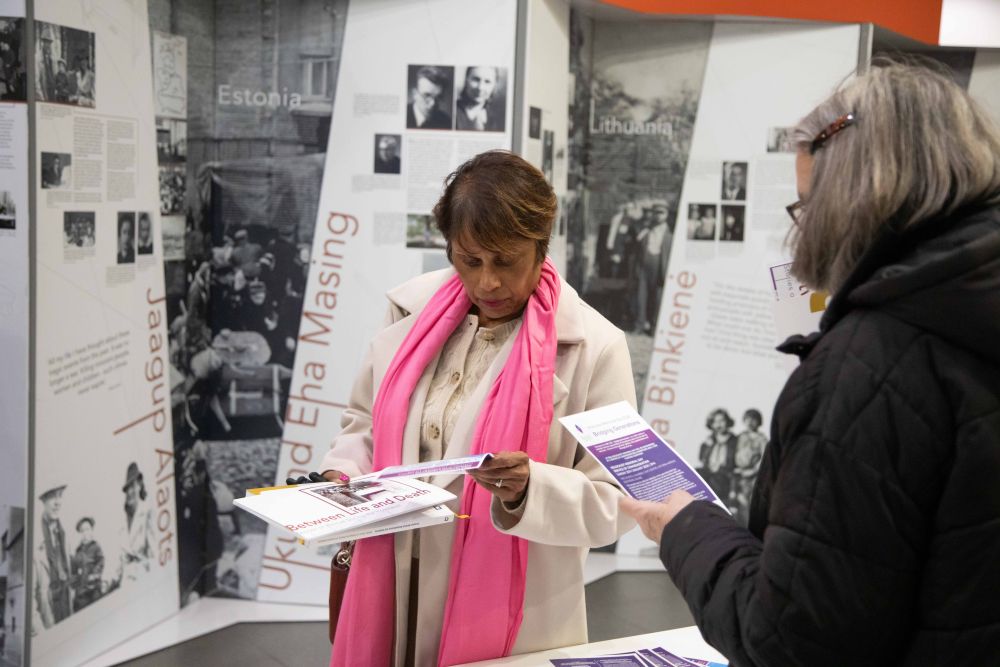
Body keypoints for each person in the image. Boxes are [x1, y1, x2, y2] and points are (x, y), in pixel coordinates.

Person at [620, 62, 1000, 665]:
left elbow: (793, 640)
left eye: (806, 206)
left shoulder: (869, 367)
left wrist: (686, 528)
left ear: (855, 198)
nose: (801, 232)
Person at [291, 151, 636, 667]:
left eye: (506, 260)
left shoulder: (595, 346)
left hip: (508, 616)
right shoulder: (409, 312)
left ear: (541, 248)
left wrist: (530, 490)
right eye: (469, 259)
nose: (487, 283)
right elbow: (365, 423)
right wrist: (342, 476)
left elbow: (618, 501)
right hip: (395, 591)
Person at [634, 200, 673, 334]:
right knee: (641, 296)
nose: (658, 216)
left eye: (661, 213)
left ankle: (654, 327)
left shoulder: (671, 233)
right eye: (656, 213)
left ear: (667, 214)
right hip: (644, 265)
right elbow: (637, 244)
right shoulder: (646, 229)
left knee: (657, 299)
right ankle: (639, 325)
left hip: (660, 267)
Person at [34, 485, 71, 627]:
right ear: (43, 500)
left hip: (66, 612)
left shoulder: (64, 534)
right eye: (52, 496)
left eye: (60, 495)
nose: (57, 502)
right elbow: (31, 599)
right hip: (50, 621)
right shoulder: (36, 539)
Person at [115, 463, 154, 585]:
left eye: (132, 486)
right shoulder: (123, 518)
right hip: (125, 580)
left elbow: (153, 555)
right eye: (127, 489)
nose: (129, 492)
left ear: (139, 485)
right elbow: (121, 556)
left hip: (143, 579)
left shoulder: (148, 512)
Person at [69, 517, 104, 611]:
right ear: (80, 533)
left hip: (94, 588)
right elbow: (74, 570)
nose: (85, 533)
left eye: (87, 529)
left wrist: (94, 575)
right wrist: (74, 583)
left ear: (92, 531)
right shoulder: (78, 551)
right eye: (82, 530)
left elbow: (101, 561)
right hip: (82, 591)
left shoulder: (96, 546)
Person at [455, 66, 504, 132]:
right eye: (476, 80)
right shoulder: (453, 111)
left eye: (487, 82)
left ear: (494, 85)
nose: (480, 88)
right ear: (466, 80)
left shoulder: (498, 118)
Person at [406, 66, 451, 130]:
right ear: (415, 94)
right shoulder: (402, 115)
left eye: (438, 97)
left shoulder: (447, 123)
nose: (433, 103)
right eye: (427, 95)